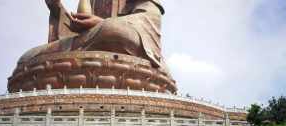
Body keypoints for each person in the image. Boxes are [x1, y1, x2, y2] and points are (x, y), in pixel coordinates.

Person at [18, 0, 172, 77]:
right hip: (89, 41)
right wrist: (57, 8)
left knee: (112, 31)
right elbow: (79, 34)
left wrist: (100, 23)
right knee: (27, 58)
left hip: (123, 38)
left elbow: (151, 18)